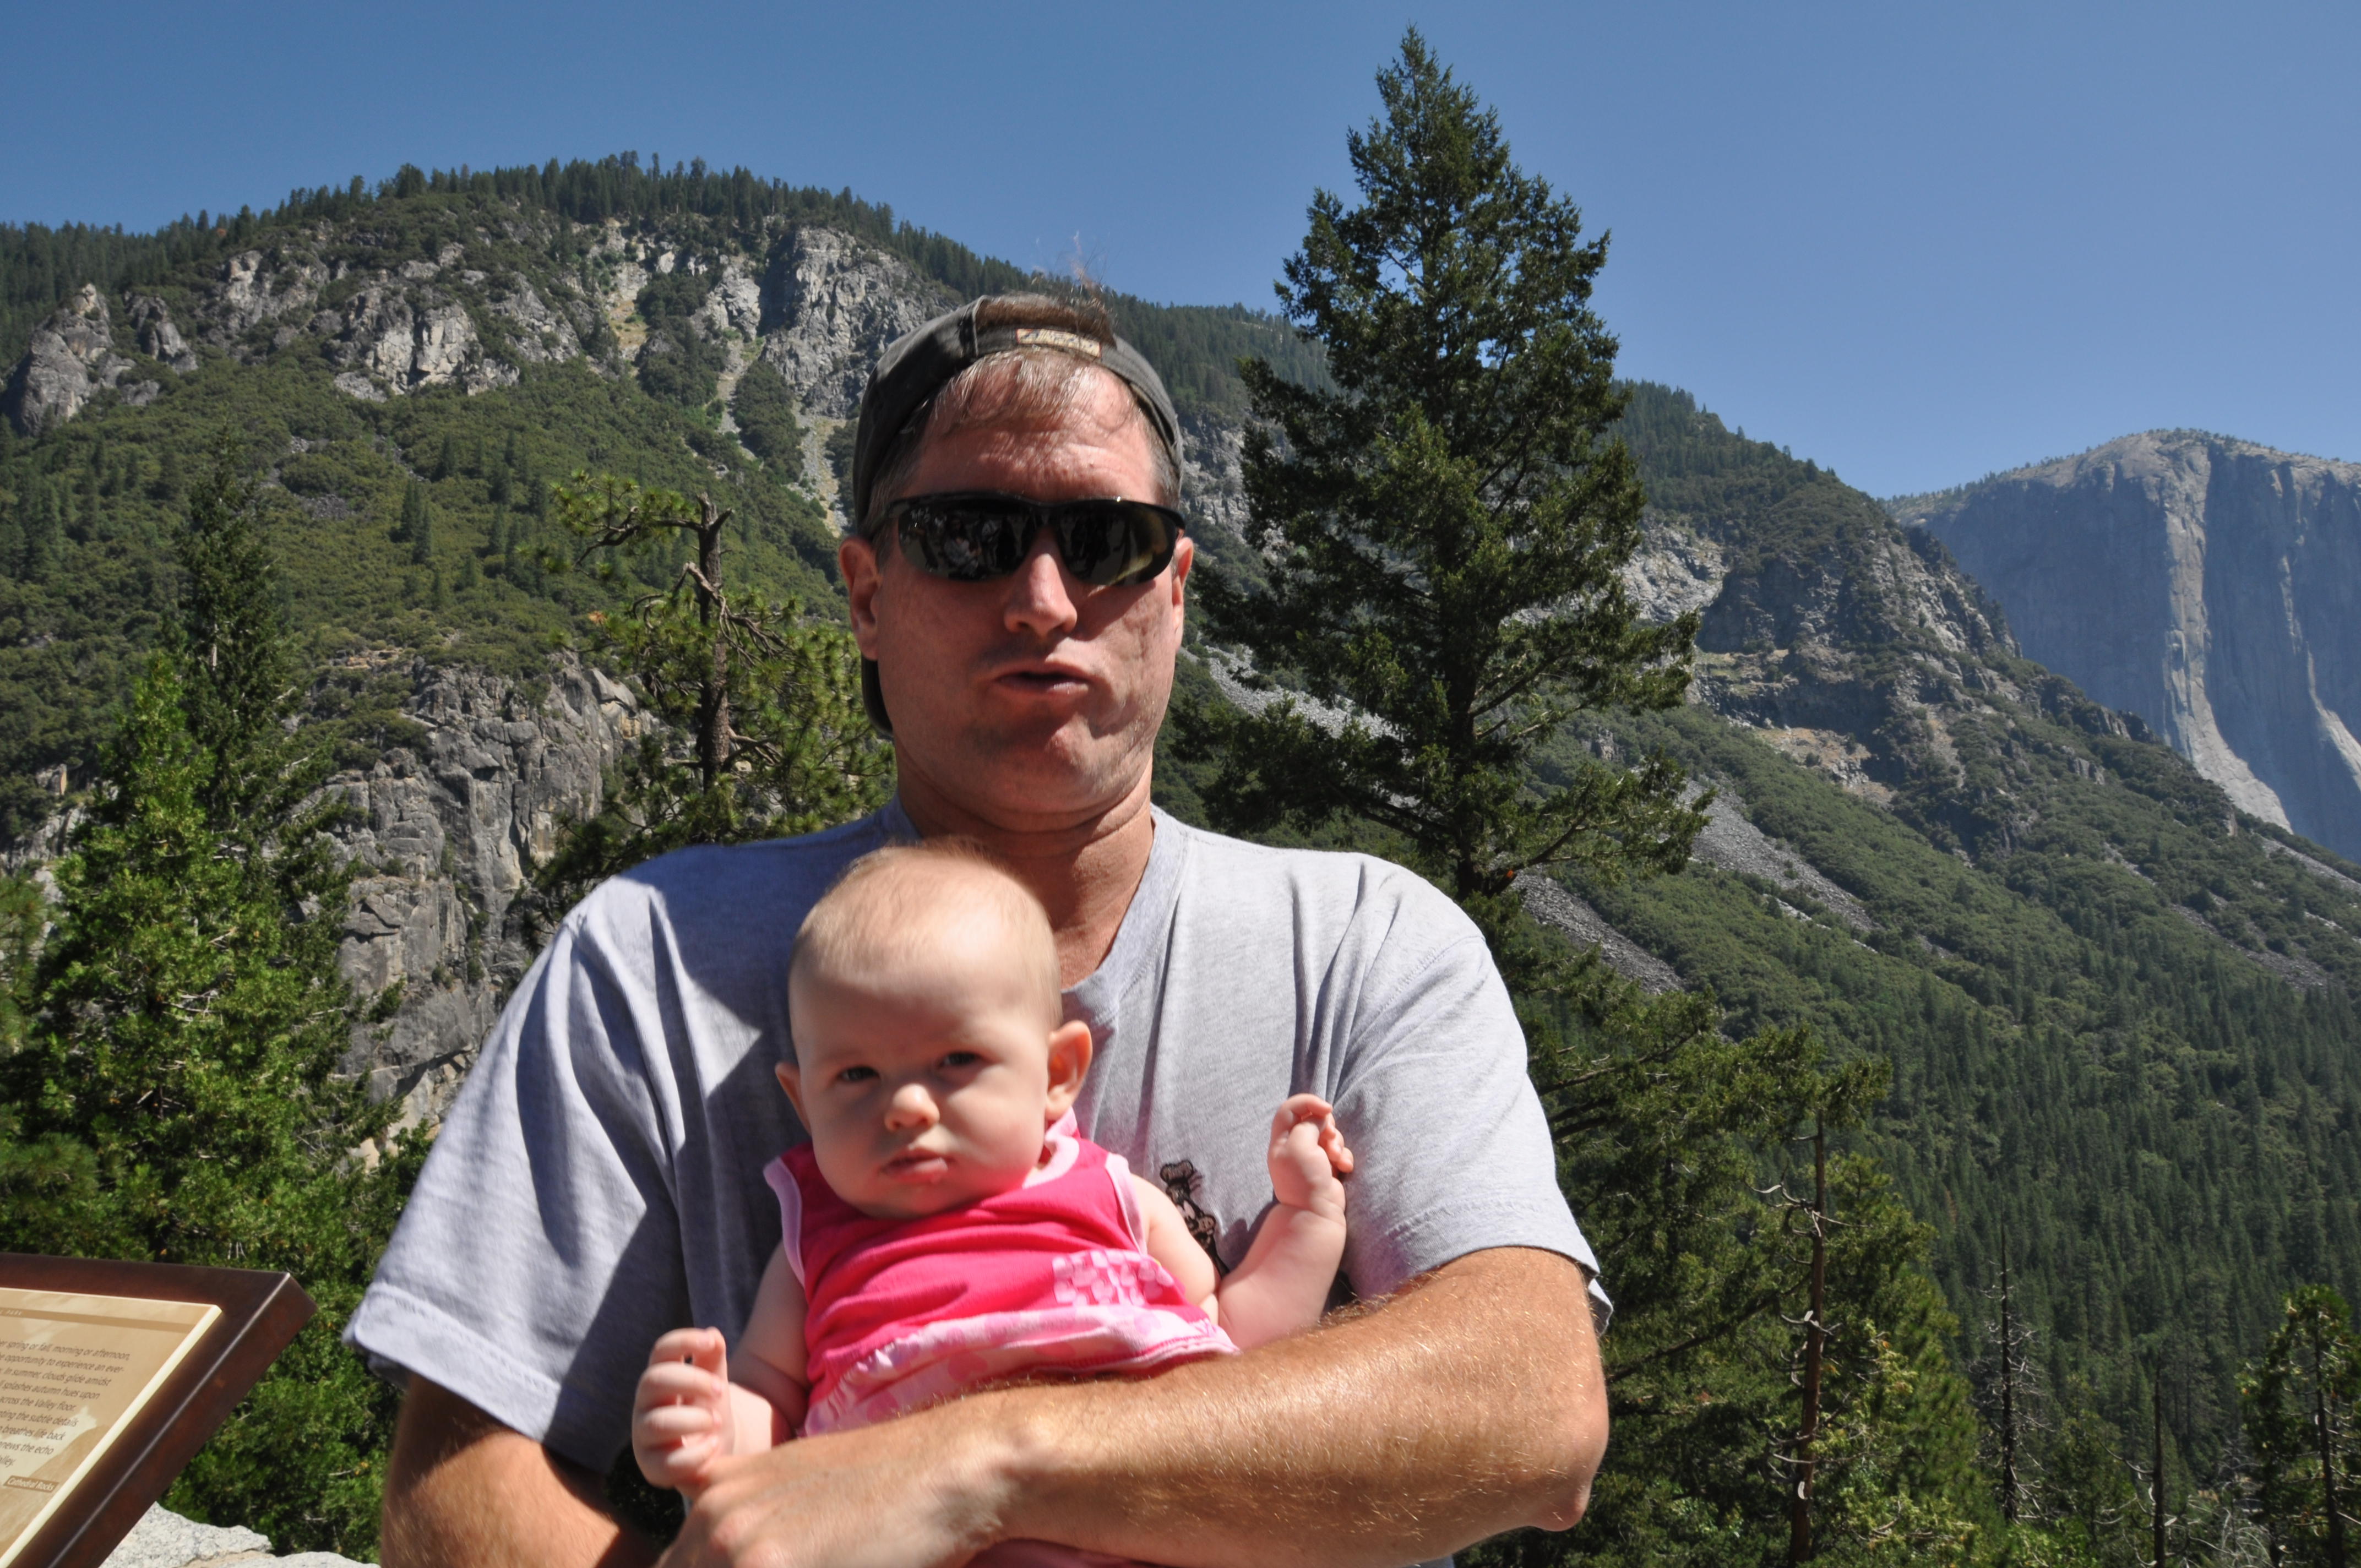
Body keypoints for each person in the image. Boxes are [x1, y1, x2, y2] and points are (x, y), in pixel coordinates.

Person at [352, 292, 1610, 1568]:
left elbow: (1530, 1402)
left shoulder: (1370, 943)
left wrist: (974, 1463)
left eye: (1108, 540)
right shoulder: (650, 960)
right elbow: (457, 1482)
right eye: (968, 537)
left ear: (1175, 591)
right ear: (865, 594)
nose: (1043, 599)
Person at [630, 841, 1354, 1568]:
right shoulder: (812, 1241)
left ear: (1057, 1073)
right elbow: (769, 1397)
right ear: (802, 1102)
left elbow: (1233, 1339)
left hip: (1149, 1523)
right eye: (856, 1075)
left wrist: (1305, 1217)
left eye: (956, 1061)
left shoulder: (1109, 1195)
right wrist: (713, 1428)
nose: (907, 1107)